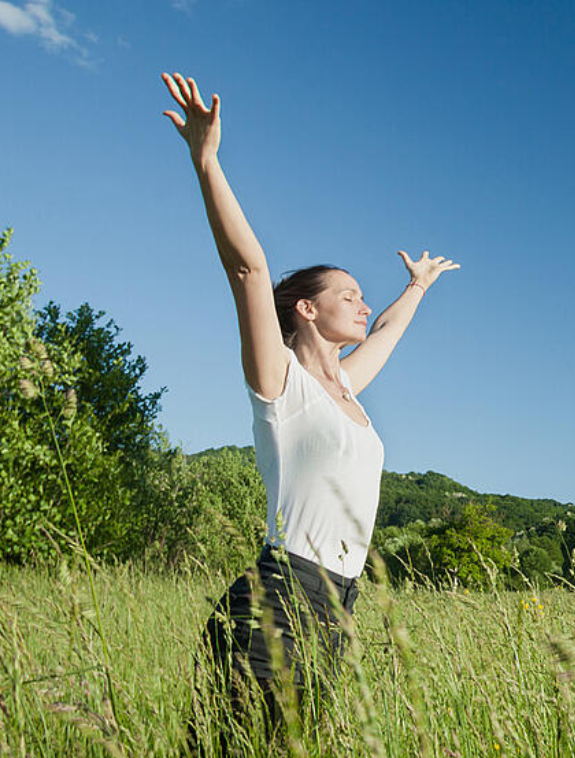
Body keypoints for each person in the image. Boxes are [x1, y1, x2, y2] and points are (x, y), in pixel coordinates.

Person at [161, 72, 458, 749]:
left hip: (338, 604)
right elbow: (249, 271)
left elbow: (384, 331)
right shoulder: (281, 381)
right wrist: (206, 161)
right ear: (305, 308)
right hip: (281, 596)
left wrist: (416, 287)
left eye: (362, 295)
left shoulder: (346, 388)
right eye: (346, 293)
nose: (360, 302)